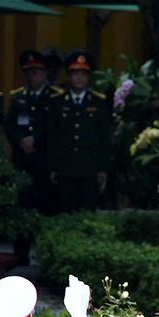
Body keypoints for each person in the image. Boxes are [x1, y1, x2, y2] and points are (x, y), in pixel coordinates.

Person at [46, 50, 113, 213]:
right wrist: (52, 167)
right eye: (75, 74)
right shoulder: (57, 101)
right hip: (65, 166)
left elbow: (104, 136)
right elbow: (52, 137)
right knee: (65, 210)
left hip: (89, 167)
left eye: (83, 74)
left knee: (88, 211)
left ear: (88, 77)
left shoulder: (99, 101)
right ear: (69, 76)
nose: (79, 78)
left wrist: (103, 168)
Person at [4, 49, 58, 210]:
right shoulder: (18, 96)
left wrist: (35, 139)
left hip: (44, 156)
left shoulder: (54, 97)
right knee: (23, 199)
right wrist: (20, 140)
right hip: (22, 157)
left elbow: (55, 126)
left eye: (36, 72)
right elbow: (9, 124)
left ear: (44, 73)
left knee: (46, 200)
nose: (32, 76)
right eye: (28, 72)